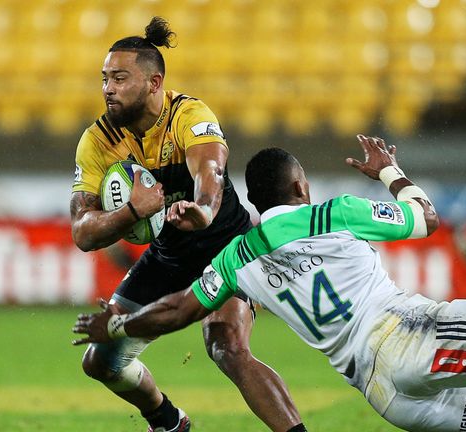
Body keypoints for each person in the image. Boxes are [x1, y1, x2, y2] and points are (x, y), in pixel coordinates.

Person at [73, 135, 466, 432]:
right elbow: (427, 218)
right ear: (300, 186)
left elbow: (178, 310)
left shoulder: (236, 258)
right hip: (405, 336)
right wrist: (390, 172)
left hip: (384, 393)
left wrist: (117, 326)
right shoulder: (334, 213)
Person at [69, 17, 304, 432]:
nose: (108, 88)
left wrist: (205, 210)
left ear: (154, 83)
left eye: (120, 78)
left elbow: (210, 171)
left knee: (226, 346)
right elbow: (82, 233)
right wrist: (131, 211)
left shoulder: (189, 115)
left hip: (226, 249)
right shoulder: (98, 141)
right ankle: (168, 421)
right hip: (168, 257)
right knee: (100, 361)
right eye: (105, 79)